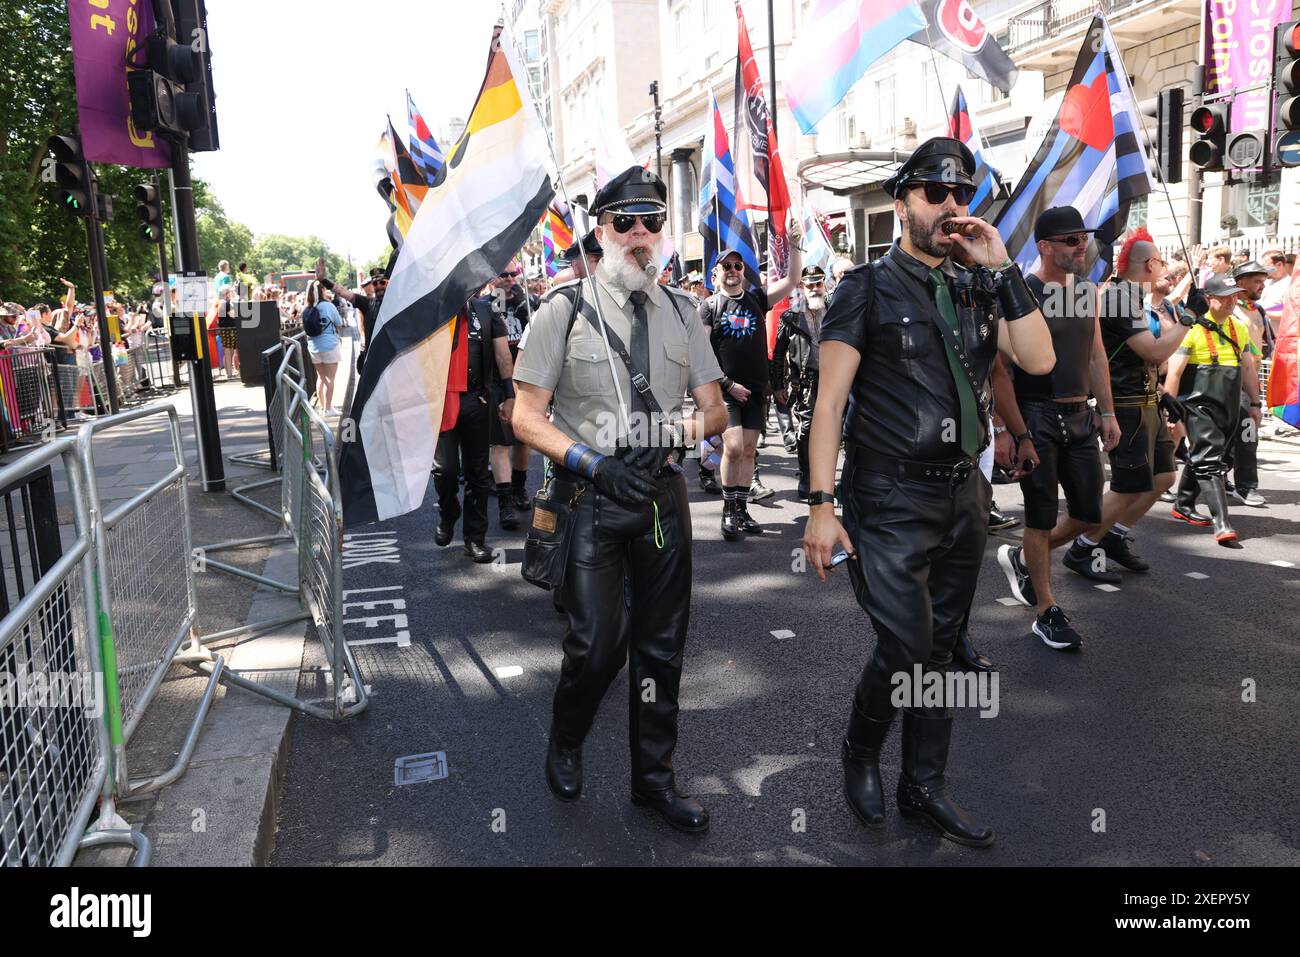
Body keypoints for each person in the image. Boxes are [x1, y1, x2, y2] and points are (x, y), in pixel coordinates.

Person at [803, 137, 1055, 846]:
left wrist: (1003, 267)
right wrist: (821, 507)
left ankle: (924, 784)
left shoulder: (980, 282)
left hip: (962, 498)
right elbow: (828, 406)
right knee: (910, 645)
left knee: (942, 648)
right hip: (887, 500)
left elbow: (1037, 357)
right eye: (934, 193)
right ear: (901, 202)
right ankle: (860, 746)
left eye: (961, 195)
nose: (951, 206)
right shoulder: (864, 288)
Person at [512, 167, 727, 833]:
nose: (640, 234)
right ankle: (567, 734)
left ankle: (653, 782)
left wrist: (673, 433)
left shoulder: (683, 312)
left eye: (653, 221)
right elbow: (524, 416)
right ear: (599, 232)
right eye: (625, 222)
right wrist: (593, 463)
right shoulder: (562, 309)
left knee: (661, 650)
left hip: (660, 501)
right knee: (599, 645)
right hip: (589, 500)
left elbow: (715, 410)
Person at [992, 206, 1120, 651]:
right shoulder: (1021, 294)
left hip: (1081, 416)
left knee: (1089, 514)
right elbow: (1000, 370)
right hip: (1036, 415)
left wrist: (1107, 413)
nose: (1080, 246)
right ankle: (1046, 611)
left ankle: (1024, 558)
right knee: (1041, 515)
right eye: (1071, 240)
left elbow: (1095, 356)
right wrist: (1006, 429)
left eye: (1082, 239)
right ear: (1045, 247)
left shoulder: (1086, 291)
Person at [1071, 229, 1190, 573]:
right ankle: (1083, 546)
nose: (1165, 269)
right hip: (1127, 405)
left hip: (1147, 400)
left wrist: (1164, 394)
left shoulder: (1133, 297)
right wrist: (1189, 319)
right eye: (1162, 262)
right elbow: (1152, 352)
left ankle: (1112, 535)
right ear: (1151, 263)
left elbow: (1151, 358)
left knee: (1164, 477)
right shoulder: (1119, 298)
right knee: (1126, 486)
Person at [699, 229, 802, 540]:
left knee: (748, 451)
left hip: (757, 390)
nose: (733, 271)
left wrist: (795, 246)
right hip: (725, 391)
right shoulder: (709, 306)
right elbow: (701, 355)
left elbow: (792, 280)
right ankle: (728, 509)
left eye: (737, 266)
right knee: (731, 447)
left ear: (743, 271)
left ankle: (742, 509)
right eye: (726, 267)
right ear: (715, 273)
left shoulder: (757, 298)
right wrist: (728, 384)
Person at [1165, 274, 1262, 545]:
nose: (1234, 300)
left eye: (1235, 295)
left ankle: (1183, 503)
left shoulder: (1238, 328)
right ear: (1209, 299)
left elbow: (1247, 368)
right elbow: (1174, 371)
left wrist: (1255, 403)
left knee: (1214, 457)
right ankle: (1222, 524)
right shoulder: (1191, 328)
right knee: (1209, 462)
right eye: (1227, 295)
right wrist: (1172, 412)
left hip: (1229, 405)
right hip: (1198, 406)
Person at [434, 292, 517, 563]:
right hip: (441, 400)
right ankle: (448, 513)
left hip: (477, 399)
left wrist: (508, 394)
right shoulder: (432, 307)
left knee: (478, 473)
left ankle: (475, 539)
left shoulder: (487, 308)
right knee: (445, 470)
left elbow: (503, 354)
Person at [474, 258, 535, 526]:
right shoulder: (488, 305)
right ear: (492, 277)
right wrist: (497, 292)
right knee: (499, 442)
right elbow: (496, 323)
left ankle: (520, 488)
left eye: (515, 274)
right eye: (504, 275)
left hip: (527, 378)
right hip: (497, 381)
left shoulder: (528, 303)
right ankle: (505, 503)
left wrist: (521, 299)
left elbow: (536, 330)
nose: (510, 279)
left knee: (523, 439)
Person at [772, 266, 829, 501]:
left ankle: (826, 480)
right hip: (806, 383)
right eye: (809, 285)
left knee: (836, 431)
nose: (814, 289)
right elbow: (778, 354)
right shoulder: (790, 317)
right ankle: (806, 475)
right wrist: (777, 385)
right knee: (806, 432)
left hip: (835, 379)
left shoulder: (837, 311)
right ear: (801, 287)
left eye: (818, 283)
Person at [1224, 260, 1271, 507]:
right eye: (1257, 281)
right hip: (1231, 379)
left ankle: (1239, 482)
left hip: (1251, 380)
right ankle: (1245, 486)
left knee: (1246, 433)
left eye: (1263, 281)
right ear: (1240, 283)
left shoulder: (1257, 310)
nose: (1262, 286)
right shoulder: (1230, 310)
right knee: (1243, 433)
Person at [303, 280, 342, 410]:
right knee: (330, 379)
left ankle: (322, 406)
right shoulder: (328, 306)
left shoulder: (307, 308)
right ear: (322, 291)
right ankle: (328, 409)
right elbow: (339, 322)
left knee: (321, 377)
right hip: (329, 345)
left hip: (314, 346)